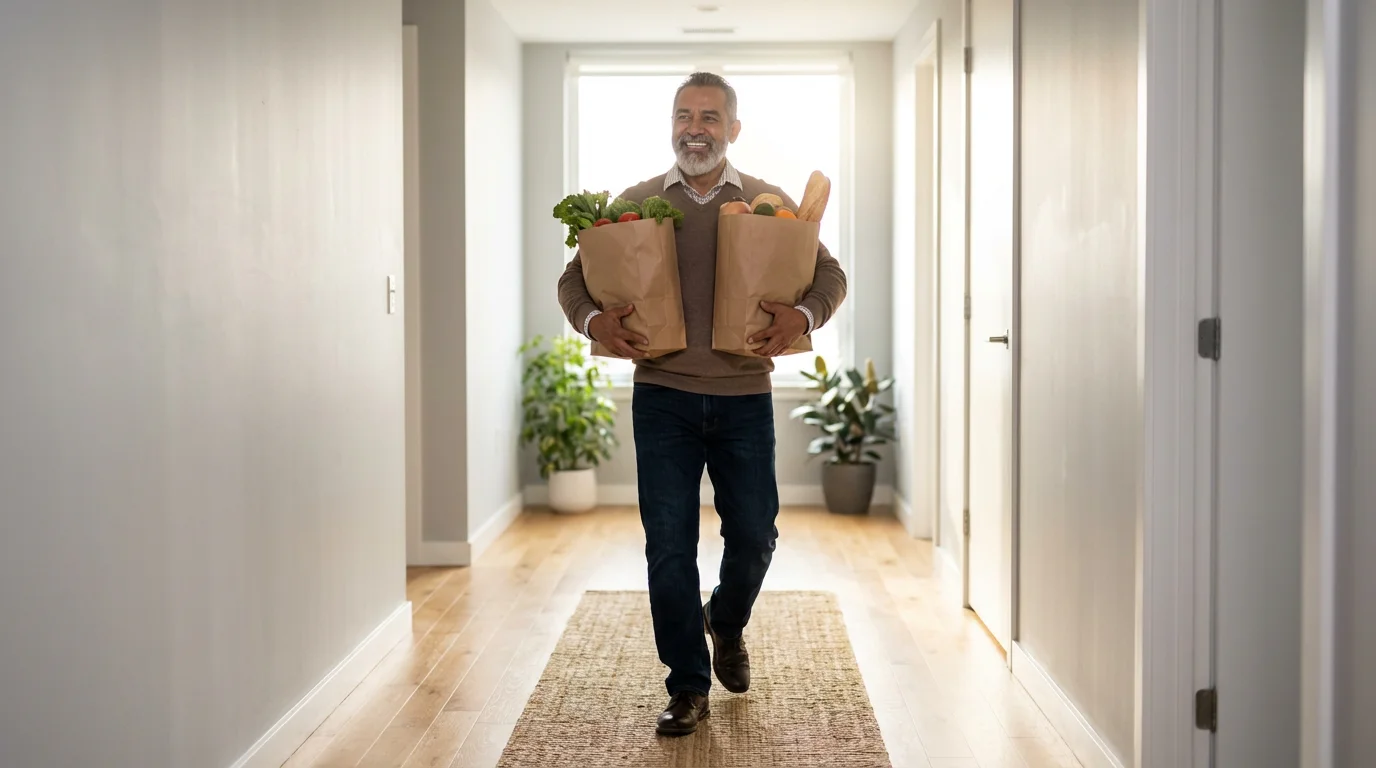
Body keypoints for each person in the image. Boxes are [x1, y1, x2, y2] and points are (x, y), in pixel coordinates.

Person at [557, 72, 848, 736]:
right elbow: (575, 278)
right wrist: (593, 323)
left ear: (733, 130)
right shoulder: (634, 202)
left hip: (745, 392)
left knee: (755, 535)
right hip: (663, 396)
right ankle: (686, 684)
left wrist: (802, 316)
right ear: (671, 125)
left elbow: (830, 274)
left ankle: (727, 618)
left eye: (711, 117)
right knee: (668, 545)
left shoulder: (769, 203)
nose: (696, 127)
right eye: (685, 114)